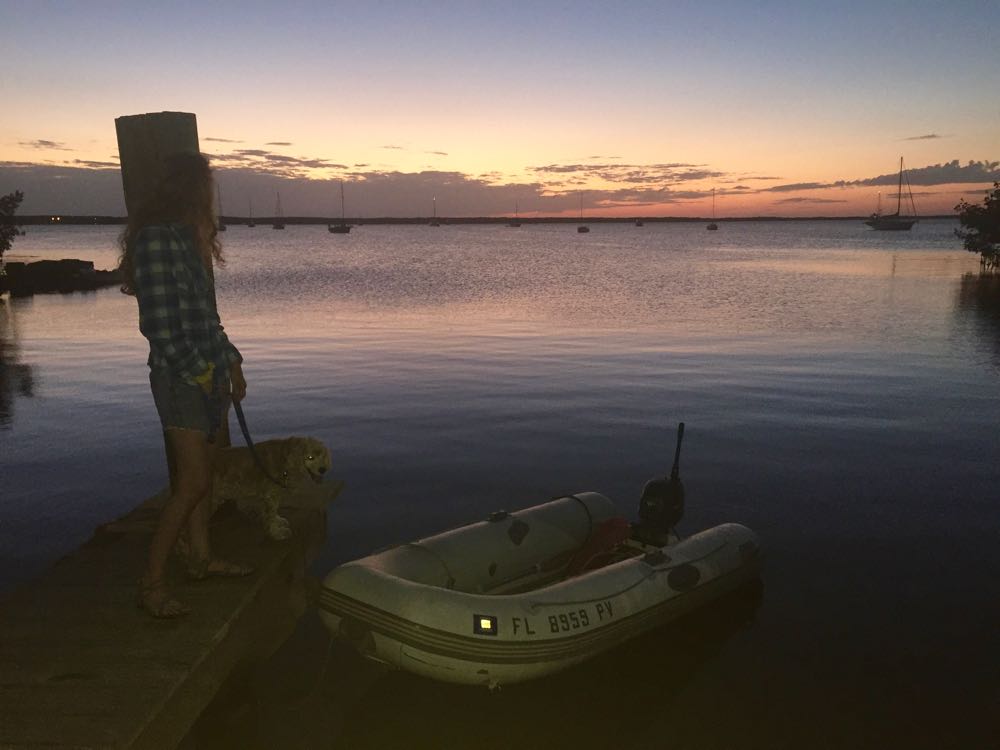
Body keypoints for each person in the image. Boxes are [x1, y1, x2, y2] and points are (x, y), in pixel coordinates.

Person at [119, 152, 252, 618]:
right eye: (206, 189)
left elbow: (206, 319)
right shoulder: (156, 240)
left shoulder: (188, 241)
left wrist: (230, 362)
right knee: (192, 482)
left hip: (206, 375)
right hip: (179, 379)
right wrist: (200, 372)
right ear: (190, 189)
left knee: (203, 479)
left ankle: (201, 556)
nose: (210, 200)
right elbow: (158, 326)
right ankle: (151, 582)